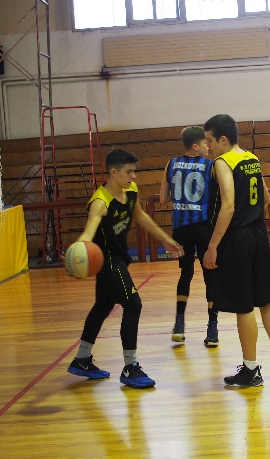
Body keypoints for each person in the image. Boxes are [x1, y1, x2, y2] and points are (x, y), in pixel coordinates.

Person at [67, 149, 184, 388]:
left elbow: (139, 217)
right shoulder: (100, 202)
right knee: (133, 304)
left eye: (134, 171)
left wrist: (164, 239)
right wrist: (74, 259)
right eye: (129, 172)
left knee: (102, 306)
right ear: (114, 172)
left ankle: (82, 359)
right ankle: (131, 367)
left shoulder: (130, 191)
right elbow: (88, 235)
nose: (133, 176)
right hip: (108, 262)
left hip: (119, 258)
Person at [202, 114, 270, 387]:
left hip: (237, 237)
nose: (208, 147)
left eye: (210, 141)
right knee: (266, 300)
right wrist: (251, 215)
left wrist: (213, 246)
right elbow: (266, 198)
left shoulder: (222, 162)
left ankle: (251, 370)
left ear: (223, 139)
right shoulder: (251, 158)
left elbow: (227, 206)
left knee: (244, 306)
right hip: (258, 234)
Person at [160, 127, 218, 347]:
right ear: (195, 146)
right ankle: (212, 328)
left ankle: (179, 324)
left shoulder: (171, 164)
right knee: (210, 274)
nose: (208, 147)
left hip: (181, 227)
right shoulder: (210, 166)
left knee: (185, 274)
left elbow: (163, 198)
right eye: (205, 143)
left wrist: (180, 195)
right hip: (203, 226)